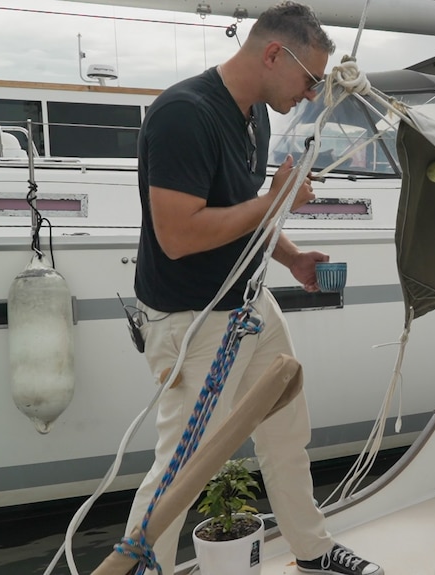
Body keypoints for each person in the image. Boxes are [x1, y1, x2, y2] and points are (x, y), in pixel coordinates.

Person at [125, 3, 383, 575]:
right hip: (194, 320)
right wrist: (276, 201)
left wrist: (289, 257)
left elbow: (240, 212)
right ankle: (143, 570)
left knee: (288, 432)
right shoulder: (182, 115)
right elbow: (177, 236)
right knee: (182, 469)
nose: (313, 94)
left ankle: (311, 550)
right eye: (312, 80)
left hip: (248, 303)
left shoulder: (254, 114)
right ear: (273, 54)